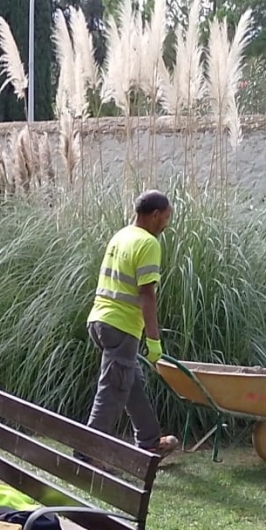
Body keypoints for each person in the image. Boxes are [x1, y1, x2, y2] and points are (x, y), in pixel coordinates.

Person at [84, 190, 181, 459]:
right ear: (155, 215)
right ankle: (86, 455)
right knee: (113, 390)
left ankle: (150, 441)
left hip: (99, 320)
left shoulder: (122, 235)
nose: (167, 224)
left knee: (131, 381)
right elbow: (147, 294)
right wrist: (153, 339)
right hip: (121, 326)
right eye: (166, 218)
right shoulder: (148, 243)